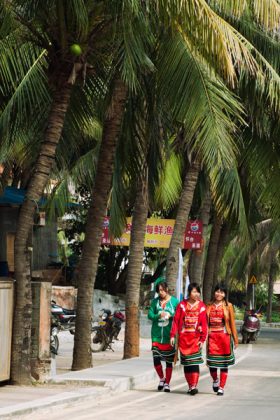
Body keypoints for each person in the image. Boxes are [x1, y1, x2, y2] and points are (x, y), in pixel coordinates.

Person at [170, 282, 207, 395]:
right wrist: (172, 335)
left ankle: (194, 385)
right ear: (189, 293)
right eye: (194, 291)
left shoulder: (201, 306)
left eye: (197, 291)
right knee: (187, 363)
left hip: (195, 339)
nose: (196, 294)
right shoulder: (182, 305)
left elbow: (204, 324)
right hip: (184, 339)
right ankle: (190, 386)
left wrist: (202, 339)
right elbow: (175, 321)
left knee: (194, 363)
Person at [206, 283, 239, 396]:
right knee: (212, 364)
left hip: (224, 337)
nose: (219, 294)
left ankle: (221, 387)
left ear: (225, 294)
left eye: (221, 292)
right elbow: (205, 322)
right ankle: (215, 380)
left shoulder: (228, 306)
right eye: (217, 291)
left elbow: (232, 323)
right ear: (214, 292)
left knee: (224, 364)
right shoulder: (209, 305)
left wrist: (235, 339)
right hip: (212, 338)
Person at [148, 281, 179, 392]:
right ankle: (162, 378)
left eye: (162, 290)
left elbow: (179, 315)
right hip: (156, 335)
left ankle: (167, 383)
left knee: (168, 361)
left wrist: (170, 315)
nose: (161, 292)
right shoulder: (155, 302)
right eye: (159, 290)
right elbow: (150, 315)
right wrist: (158, 315)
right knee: (156, 359)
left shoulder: (175, 302)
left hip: (168, 336)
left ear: (166, 289)